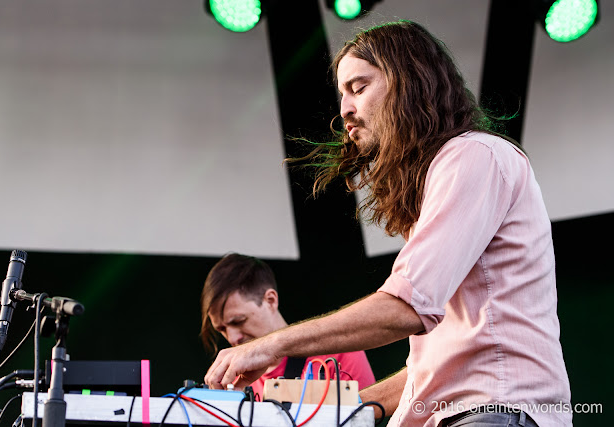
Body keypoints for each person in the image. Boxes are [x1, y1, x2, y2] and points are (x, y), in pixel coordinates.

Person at [204, 21, 571, 427]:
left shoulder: (475, 157)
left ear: (408, 82)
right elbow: (438, 368)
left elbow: (405, 307)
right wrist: (344, 408)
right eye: (342, 94)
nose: (344, 109)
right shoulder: (449, 180)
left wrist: (272, 347)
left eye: (358, 88)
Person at [200, 252, 376, 399]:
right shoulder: (234, 378)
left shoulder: (339, 350)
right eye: (221, 329)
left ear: (270, 300)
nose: (232, 338)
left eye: (239, 321)